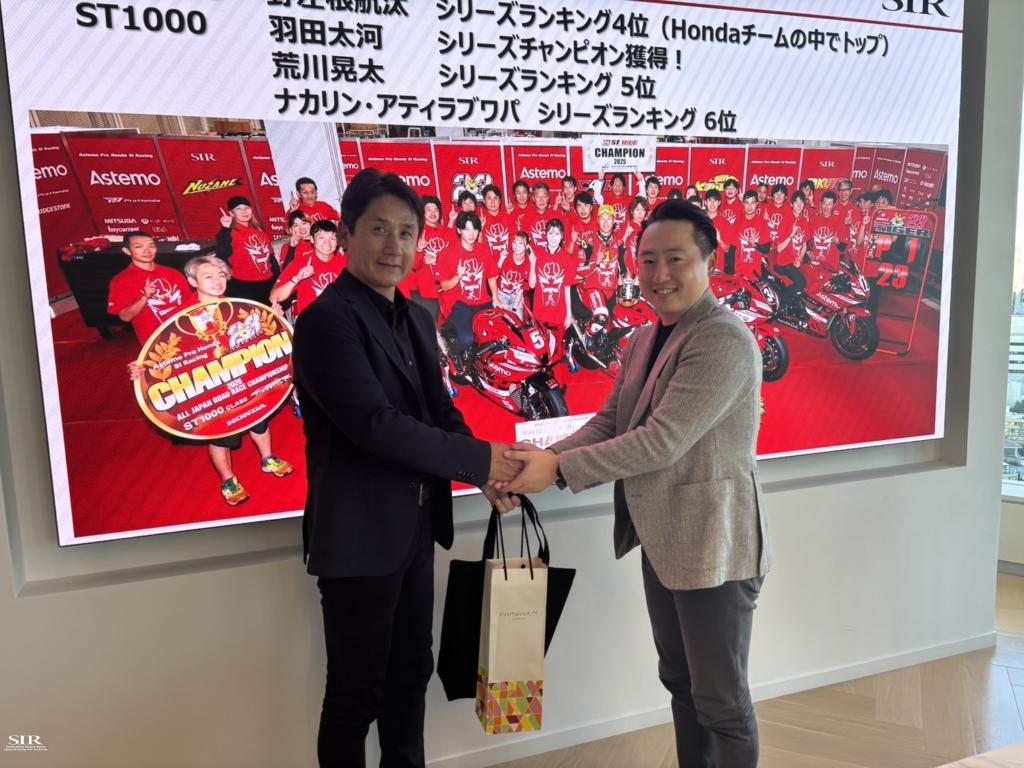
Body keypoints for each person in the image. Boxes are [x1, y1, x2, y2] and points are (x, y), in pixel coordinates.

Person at [499, 199, 770, 768]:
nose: (659, 274)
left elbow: (660, 441)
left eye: (675, 258)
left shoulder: (722, 338)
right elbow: (610, 422)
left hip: (714, 546)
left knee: (721, 702)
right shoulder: (645, 338)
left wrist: (558, 471)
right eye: (648, 260)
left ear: (709, 260)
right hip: (663, 540)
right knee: (679, 682)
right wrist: (540, 459)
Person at [291, 169, 521, 768]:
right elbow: (375, 425)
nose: (394, 245)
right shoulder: (325, 321)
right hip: (359, 539)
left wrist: (487, 472)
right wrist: (482, 459)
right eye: (379, 229)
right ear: (347, 234)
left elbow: (440, 410)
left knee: (411, 673)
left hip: (416, 531)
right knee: (355, 695)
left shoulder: (417, 317)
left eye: (407, 232)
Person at [130, 253, 294, 506]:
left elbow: (259, 335)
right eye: (208, 276)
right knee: (221, 435)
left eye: (221, 275)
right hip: (213, 389)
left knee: (259, 418)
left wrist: (272, 317)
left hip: (246, 379)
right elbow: (162, 356)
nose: (217, 281)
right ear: (192, 281)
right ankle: (228, 480)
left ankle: (268, 458)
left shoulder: (238, 307)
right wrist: (141, 369)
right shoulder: (180, 318)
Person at [108, 230, 191, 344]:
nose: (147, 251)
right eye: (139, 247)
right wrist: (144, 298)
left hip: (187, 335)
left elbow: (190, 303)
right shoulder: (121, 281)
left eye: (151, 246)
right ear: (127, 251)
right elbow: (125, 317)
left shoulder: (172, 273)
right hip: (157, 344)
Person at [270, 221, 347, 317]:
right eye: (321, 238)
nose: (327, 243)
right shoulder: (300, 264)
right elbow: (274, 297)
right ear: (312, 239)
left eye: (332, 239)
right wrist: (297, 279)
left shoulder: (347, 262)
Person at [215, 196, 278, 304]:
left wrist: (278, 280)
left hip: (268, 283)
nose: (244, 211)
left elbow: (271, 258)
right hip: (244, 287)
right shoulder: (230, 233)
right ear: (231, 213)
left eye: (247, 207)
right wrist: (225, 228)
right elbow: (222, 254)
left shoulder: (260, 232)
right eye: (238, 208)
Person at [495, 231, 536, 318]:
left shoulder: (528, 262)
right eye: (514, 242)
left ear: (527, 246)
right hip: (501, 295)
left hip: (517, 297)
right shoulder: (505, 256)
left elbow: (527, 287)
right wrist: (501, 259)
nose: (517, 246)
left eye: (521, 243)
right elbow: (493, 278)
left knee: (517, 322)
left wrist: (514, 308)